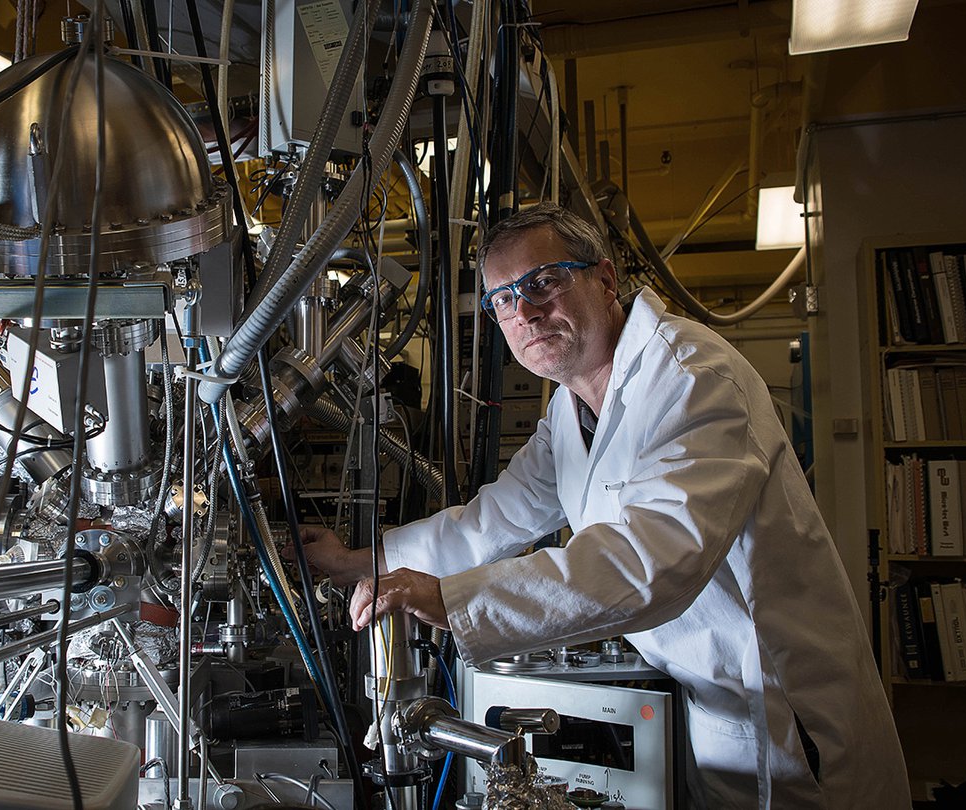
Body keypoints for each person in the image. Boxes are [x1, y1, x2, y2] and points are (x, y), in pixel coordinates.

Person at [300, 203, 908, 808]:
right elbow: (494, 519)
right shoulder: (569, 410)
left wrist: (451, 599)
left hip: (785, 719)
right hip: (707, 710)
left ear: (607, 279)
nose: (526, 311)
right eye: (504, 299)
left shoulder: (693, 376)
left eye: (543, 281)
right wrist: (358, 562)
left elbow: (650, 560)